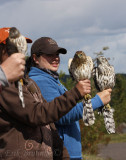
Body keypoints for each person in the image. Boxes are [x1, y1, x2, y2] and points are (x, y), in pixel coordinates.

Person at [0, 28, 91, 160]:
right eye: (12, 49)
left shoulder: (28, 82)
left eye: (21, 48)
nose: (19, 54)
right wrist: (77, 93)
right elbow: (37, 114)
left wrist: (63, 155)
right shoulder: (7, 87)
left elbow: (49, 125)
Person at [28, 37, 112, 160]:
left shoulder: (51, 79)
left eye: (57, 54)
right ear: (35, 58)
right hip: (62, 153)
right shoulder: (41, 81)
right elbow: (63, 115)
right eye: (50, 55)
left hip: (69, 152)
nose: (56, 58)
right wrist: (98, 100)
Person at [0, 27, 31, 92]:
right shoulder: (6, 85)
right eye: (14, 48)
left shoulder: (27, 80)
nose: (20, 52)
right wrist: (4, 75)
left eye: (22, 45)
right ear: (2, 50)